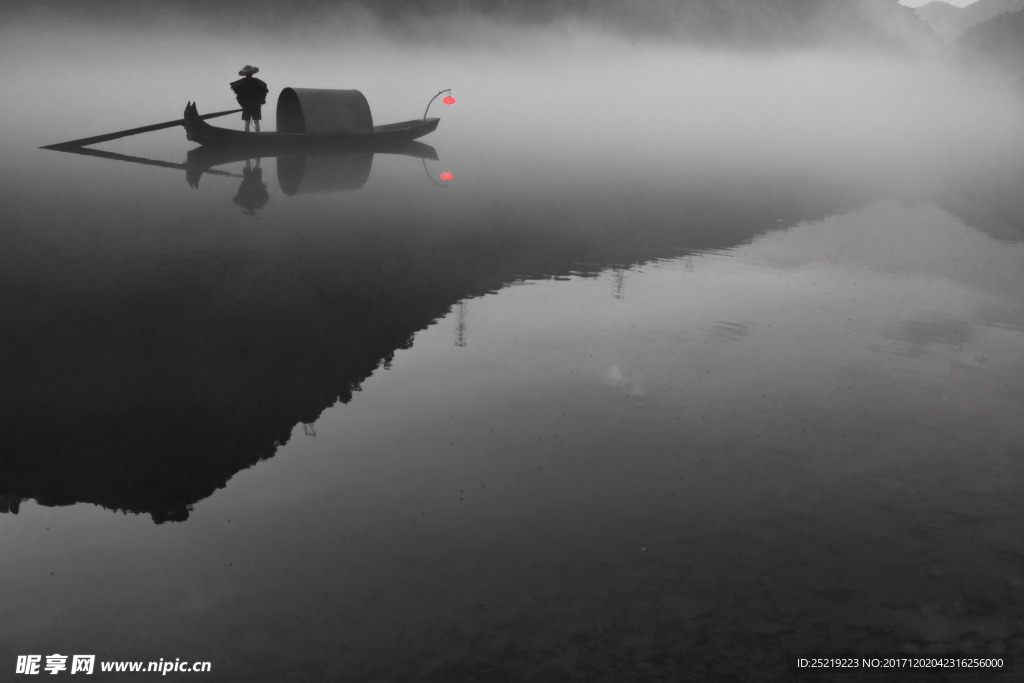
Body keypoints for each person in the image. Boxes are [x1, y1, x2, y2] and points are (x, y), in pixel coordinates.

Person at [230, 65, 269, 133]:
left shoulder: (242, 83)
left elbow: (239, 96)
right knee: (256, 122)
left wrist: (242, 104)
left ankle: (246, 138)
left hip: (246, 106)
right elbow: (263, 92)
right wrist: (261, 101)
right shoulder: (257, 82)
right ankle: (258, 137)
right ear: (252, 73)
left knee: (247, 123)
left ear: (245, 74)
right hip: (256, 105)